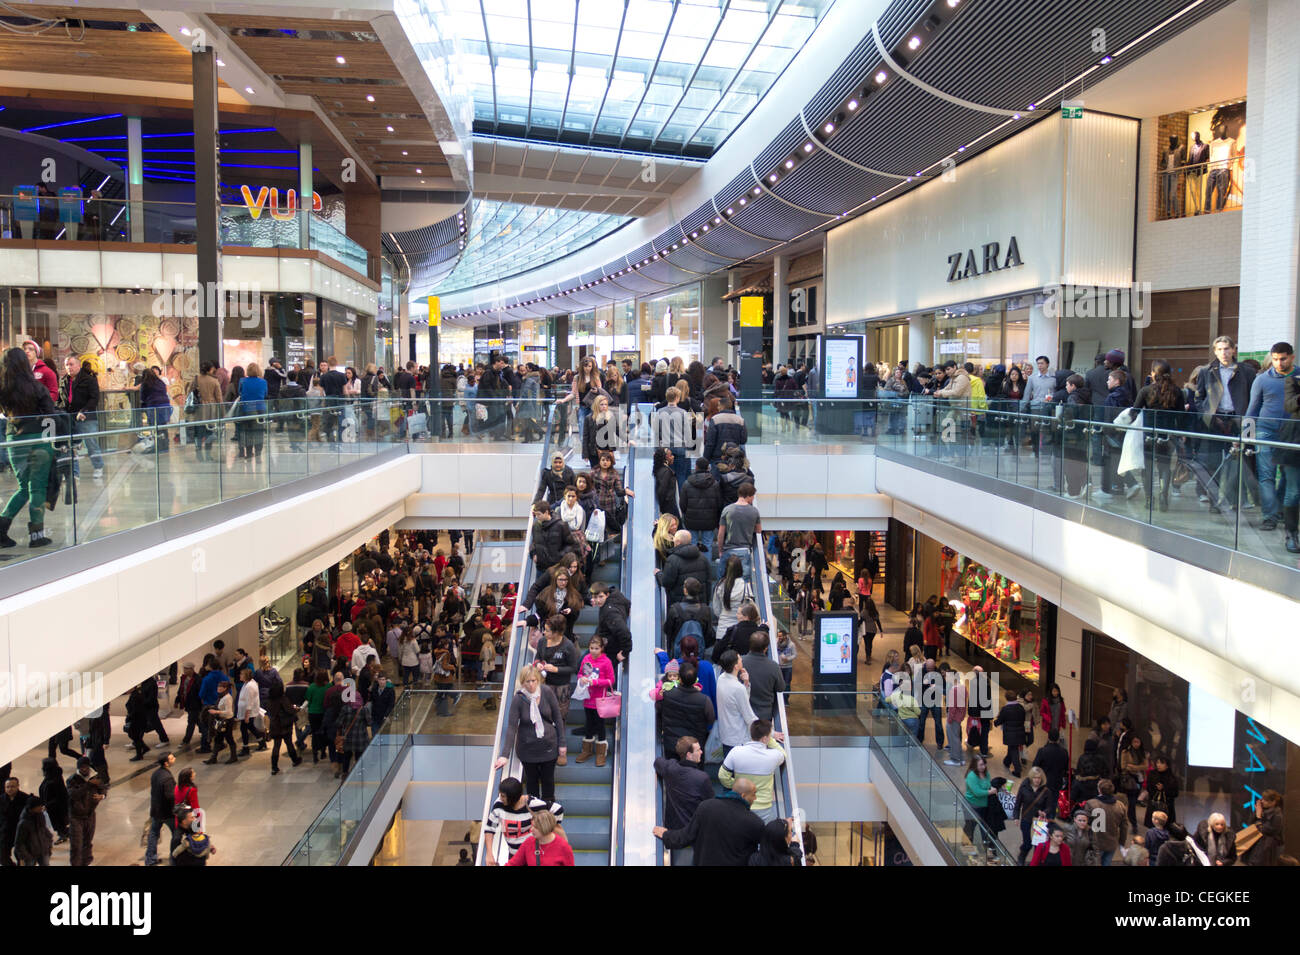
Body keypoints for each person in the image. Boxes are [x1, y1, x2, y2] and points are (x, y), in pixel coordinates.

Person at [0, 347, 57, 548]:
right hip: (39, 441)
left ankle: (1, 528)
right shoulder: (37, 387)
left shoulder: (3, 389)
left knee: (24, 487)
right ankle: (36, 535)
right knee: (37, 487)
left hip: (14, 440)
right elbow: (50, 413)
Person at [1192, 335, 1256, 513]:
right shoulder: (1207, 371)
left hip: (1238, 420)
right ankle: (1214, 502)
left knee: (1237, 463)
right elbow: (1199, 398)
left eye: (1227, 348)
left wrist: (1246, 419)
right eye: (1219, 349)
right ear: (1214, 351)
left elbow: (1252, 398)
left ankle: (1236, 501)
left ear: (1234, 349)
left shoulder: (1247, 371)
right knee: (1214, 463)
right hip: (1215, 421)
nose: (1224, 353)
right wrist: (1208, 415)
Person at [654, 777, 764, 867]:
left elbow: (686, 836)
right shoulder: (754, 822)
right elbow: (767, 853)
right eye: (753, 794)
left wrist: (666, 834)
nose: (755, 798)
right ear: (743, 795)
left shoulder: (706, 807)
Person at [495, 665, 563, 803]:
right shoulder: (518, 699)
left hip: (549, 745)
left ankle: (548, 811)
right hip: (527, 750)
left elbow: (557, 717)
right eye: (527, 681)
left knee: (548, 781)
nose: (531, 685)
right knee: (531, 782)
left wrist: (562, 743)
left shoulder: (547, 692)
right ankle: (534, 811)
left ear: (538, 680)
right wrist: (504, 755)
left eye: (533, 681)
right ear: (522, 682)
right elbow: (512, 727)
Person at [483, 776, 564, 865]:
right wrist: (489, 853)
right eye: (500, 795)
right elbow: (490, 828)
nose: (500, 798)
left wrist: (545, 828)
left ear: (513, 797)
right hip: (514, 855)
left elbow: (558, 810)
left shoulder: (532, 804)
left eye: (503, 796)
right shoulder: (499, 805)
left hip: (533, 855)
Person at [718, 719, 786, 823]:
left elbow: (722, 776)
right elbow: (784, 754)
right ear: (765, 738)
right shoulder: (773, 756)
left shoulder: (736, 751)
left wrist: (736, 785)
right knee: (765, 836)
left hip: (740, 804)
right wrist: (771, 740)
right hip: (764, 809)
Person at [657, 660, 716, 758]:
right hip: (694, 747)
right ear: (695, 680)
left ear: (680, 679)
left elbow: (659, 711)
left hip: (672, 745)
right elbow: (711, 719)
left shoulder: (667, 694)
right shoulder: (704, 700)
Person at [575, 634, 615, 767]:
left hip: (600, 699)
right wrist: (581, 678)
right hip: (587, 697)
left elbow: (611, 680)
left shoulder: (606, 662)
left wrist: (596, 682)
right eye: (591, 648)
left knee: (600, 724)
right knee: (589, 723)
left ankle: (600, 753)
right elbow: (580, 673)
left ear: (602, 648)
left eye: (596, 648)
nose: (593, 651)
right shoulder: (586, 658)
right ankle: (586, 750)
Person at [715, 650, 758, 758]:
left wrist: (746, 683)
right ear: (735, 666)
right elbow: (749, 717)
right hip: (738, 739)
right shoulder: (737, 688)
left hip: (726, 735)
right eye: (739, 659)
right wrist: (771, 733)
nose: (741, 659)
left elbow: (740, 701)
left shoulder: (721, 679)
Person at [714, 482, 760, 581]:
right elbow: (758, 530)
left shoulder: (727, 510)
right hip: (744, 550)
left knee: (722, 578)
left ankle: (723, 595)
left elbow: (721, 533)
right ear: (748, 496)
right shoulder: (754, 511)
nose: (753, 499)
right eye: (752, 496)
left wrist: (720, 550)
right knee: (743, 581)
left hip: (728, 550)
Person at [657, 529, 712, 607]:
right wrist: (706, 603)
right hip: (699, 604)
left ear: (678, 542)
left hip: (678, 606)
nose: (673, 540)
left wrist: (658, 574)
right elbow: (708, 582)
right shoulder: (703, 558)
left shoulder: (672, 560)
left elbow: (667, 583)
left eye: (674, 538)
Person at [66, 758, 104, 866]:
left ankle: (86, 863)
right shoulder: (72, 780)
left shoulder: (95, 776)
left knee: (87, 843)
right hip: (76, 817)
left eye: (86, 767)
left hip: (90, 814)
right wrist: (89, 784)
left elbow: (103, 788)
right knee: (76, 845)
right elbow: (74, 794)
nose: (84, 770)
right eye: (81, 768)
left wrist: (102, 796)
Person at [740, 630, 785, 721]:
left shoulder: (739, 663)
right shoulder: (773, 666)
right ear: (766, 648)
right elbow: (781, 688)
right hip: (764, 716)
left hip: (743, 714)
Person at [1014, 766, 1054, 865]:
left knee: (1038, 844)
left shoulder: (1046, 791)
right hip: (1026, 818)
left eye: (1039, 778)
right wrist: (1016, 817)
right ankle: (1022, 856)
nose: (1037, 780)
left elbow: (1050, 807)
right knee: (1027, 842)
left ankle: (1036, 862)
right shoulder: (1024, 787)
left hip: (1039, 820)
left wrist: (1044, 812)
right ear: (1031, 777)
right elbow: (1018, 803)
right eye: (1035, 777)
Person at [1084, 778, 1129, 866]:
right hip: (1111, 843)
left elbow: (1085, 824)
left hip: (1095, 843)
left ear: (1099, 790)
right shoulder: (1120, 806)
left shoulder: (1091, 804)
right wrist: (1121, 842)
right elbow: (1124, 826)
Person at [505, 809, 573, 866]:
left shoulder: (563, 847)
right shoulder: (528, 842)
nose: (531, 829)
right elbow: (513, 863)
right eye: (532, 826)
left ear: (544, 827)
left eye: (535, 827)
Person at [144, 751, 176, 866]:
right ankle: (174, 859)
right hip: (167, 813)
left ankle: (150, 859)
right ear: (166, 763)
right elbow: (170, 796)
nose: (174, 759)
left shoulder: (156, 773)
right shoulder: (167, 777)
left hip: (156, 810)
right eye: (172, 758)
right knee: (176, 834)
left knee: (153, 834)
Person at [265, 682, 303, 775]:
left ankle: (274, 767)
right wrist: (296, 709)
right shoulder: (283, 699)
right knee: (289, 743)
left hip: (275, 725)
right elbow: (289, 710)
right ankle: (295, 760)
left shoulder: (269, 700)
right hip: (285, 725)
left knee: (276, 746)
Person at [1240, 789, 1284, 866]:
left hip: (1266, 848)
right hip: (1255, 845)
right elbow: (1250, 825)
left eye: (1266, 800)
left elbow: (1267, 830)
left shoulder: (1277, 814)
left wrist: (1259, 817)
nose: (1262, 801)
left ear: (1273, 802)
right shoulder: (1261, 810)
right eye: (1262, 799)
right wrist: (1256, 813)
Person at [203, 679, 238, 765]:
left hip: (227, 721)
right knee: (218, 739)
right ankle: (213, 758)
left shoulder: (227, 698)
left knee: (229, 738)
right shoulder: (222, 697)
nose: (218, 688)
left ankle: (233, 756)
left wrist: (217, 712)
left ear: (225, 688)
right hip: (221, 720)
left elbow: (229, 712)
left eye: (220, 687)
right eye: (218, 686)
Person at [994, 689, 1027, 776]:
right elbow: (1023, 718)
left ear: (1006, 698)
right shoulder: (1021, 708)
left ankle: (1017, 770)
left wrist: (995, 723)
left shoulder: (1005, 709)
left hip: (1010, 733)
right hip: (1019, 731)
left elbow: (1000, 720)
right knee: (1012, 748)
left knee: (1014, 749)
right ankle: (1006, 762)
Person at [14, 797, 52, 866]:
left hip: (43, 851)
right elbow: (19, 843)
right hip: (30, 854)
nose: (41, 807)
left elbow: (45, 830)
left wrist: (49, 844)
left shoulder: (41, 816)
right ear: (32, 808)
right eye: (39, 806)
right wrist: (26, 856)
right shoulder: (23, 823)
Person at [653, 447, 680, 519]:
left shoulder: (662, 469)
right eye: (671, 455)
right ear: (665, 458)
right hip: (669, 507)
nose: (673, 457)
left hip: (669, 505)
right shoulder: (666, 471)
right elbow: (661, 490)